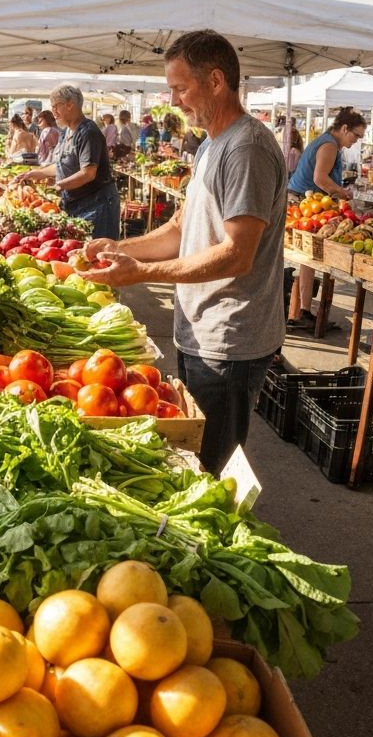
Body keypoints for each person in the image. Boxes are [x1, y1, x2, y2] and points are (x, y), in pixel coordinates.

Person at [80, 29, 287, 474]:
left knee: (213, 465)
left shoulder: (246, 148)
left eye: (180, 88)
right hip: (198, 327)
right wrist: (120, 247)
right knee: (193, 454)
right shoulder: (210, 145)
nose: (174, 101)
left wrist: (141, 274)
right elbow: (180, 227)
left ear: (215, 81)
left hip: (230, 335)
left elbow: (237, 254)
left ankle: (223, 539)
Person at [286, 108, 364, 331]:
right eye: (355, 136)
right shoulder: (329, 145)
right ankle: (304, 312)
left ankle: (304, 310)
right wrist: (342, 192)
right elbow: (319, 178)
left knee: (307, 260)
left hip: (303, 201)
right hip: (305, 204)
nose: (355, 141)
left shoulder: (326, 141)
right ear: (344, 128)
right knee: (309, 259)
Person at [11, 83, 119, 239]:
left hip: (97, 205)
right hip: (77, 203)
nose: (53, 111)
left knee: (99, 253)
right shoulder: (66, 131)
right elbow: (62, 165)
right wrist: (38, 173)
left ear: (70, 105)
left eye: (56, 106)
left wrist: (59, 185)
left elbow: (88, 173)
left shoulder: (88, 132)